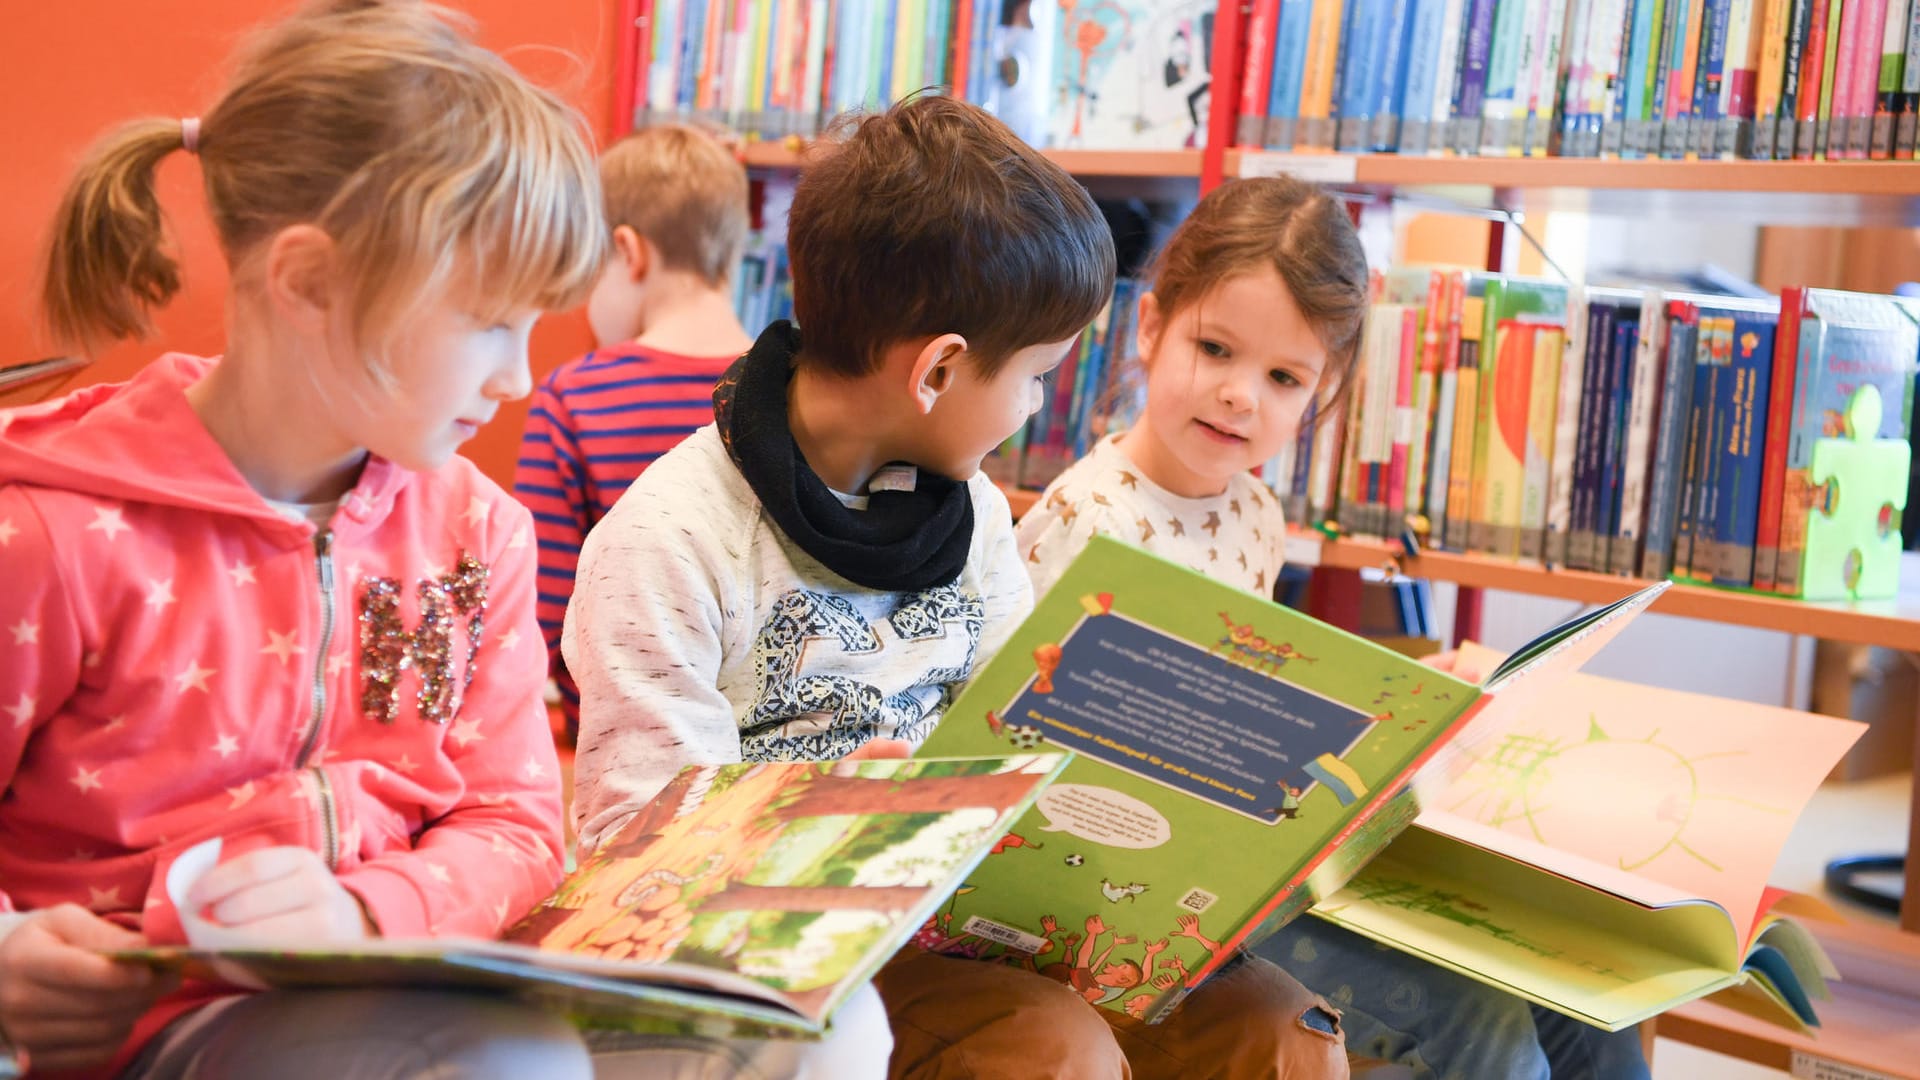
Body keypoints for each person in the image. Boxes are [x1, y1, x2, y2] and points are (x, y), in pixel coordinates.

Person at [0, 4, 888, 1078]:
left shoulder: (478, 531)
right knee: (504, 1062)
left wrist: (369, 914)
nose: (519, 378)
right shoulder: (50, 531)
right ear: (311, 282)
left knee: (823, 1027)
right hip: (153, 1031)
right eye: (488, 321)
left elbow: (515, 821)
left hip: (409, 980)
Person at [566, 94, 1347, 1078]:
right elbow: (635, 853)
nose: (1031, 410)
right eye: (1033, 380)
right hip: (792, 963)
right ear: (938, 371)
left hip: (976, 924)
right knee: (1052, 1049)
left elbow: (1027, 736)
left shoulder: (971, 513)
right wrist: (834, 820)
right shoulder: (670, 538)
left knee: (1279, 1028)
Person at [1017, 174, 1652, 1080]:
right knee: (1479, 1023)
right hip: (1147, 905)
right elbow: (1030, 767)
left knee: (1585, 985)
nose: (1241, 396)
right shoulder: (1087, 520)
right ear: (1151, 327)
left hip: (1270, 873)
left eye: (1283, 377)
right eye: (1216, 348)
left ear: (1326, 388)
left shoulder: (1256, 514)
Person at [514, 123, 755, 740]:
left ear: (628, 252)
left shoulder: (573, 398)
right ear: (732, 252)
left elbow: (539, 612)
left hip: (622, 734)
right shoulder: (799, 390)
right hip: (772, 731)